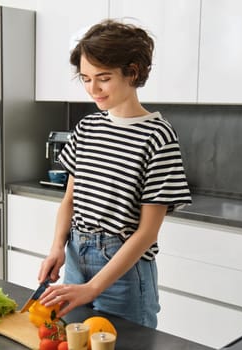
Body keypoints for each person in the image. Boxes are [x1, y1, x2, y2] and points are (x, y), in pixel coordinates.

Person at [37, 19, 192, 329]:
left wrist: (94, 287)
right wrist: (57, 246)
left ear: (132, 72)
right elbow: (70, 200)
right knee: (73, 340)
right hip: (75, 258)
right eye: (85, 78)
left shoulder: (158, 136)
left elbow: (147, 233)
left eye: (103, 78)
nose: (93, 89)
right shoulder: (87, 128)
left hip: (123, 271)